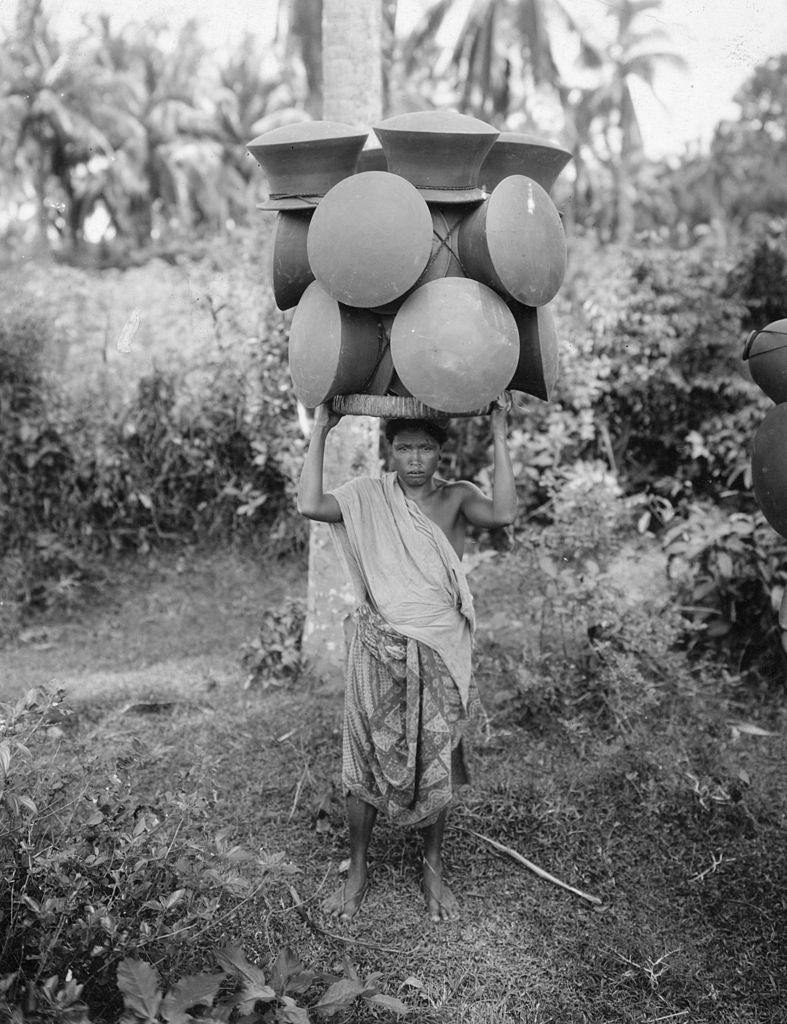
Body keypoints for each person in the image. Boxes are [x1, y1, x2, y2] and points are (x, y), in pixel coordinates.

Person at [296, 395, 517, 923]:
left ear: (441, 452)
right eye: (404, 448)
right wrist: (322, 427)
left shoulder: (458, 498)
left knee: (436, 753)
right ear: (389, 452)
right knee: (365, 750)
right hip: (378, 643)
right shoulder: (369, 496)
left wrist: (500, 431)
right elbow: (310, 504)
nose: (415, 459)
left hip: (439, 645)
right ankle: (357, 867)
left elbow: (504, 513)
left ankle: (433, 864)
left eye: (425, 448)